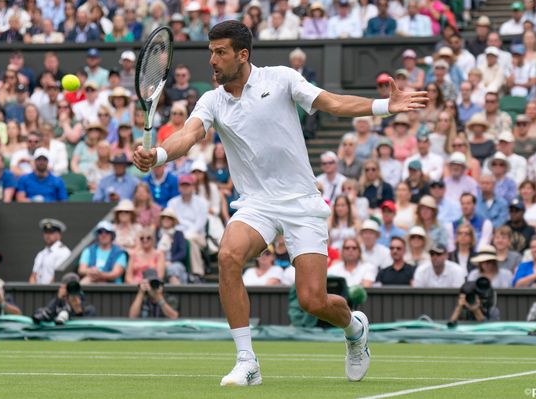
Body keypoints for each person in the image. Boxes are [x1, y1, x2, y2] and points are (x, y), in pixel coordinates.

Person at [133, 20, 426, 385]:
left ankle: (354, 328)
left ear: (243, 55)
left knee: (313, 301)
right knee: (228, 256)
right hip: (256, 203)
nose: (213, 60)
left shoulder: (283, 79)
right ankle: (247, 360)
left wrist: (383, 105)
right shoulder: (211, 100)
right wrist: (158, 154)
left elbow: (332, 103)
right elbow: (189, 135)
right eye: (211, 52)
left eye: (220, 52)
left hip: (302, 202)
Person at [29, 218, 72, 285]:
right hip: (39, 292)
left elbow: (58, 278)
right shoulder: (41, 254)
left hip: (53, 292)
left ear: (59, 235)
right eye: (46, 232)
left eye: (51, 232)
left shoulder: (64, 252)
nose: (48, 235)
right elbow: (33, 276)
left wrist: (48, 292)